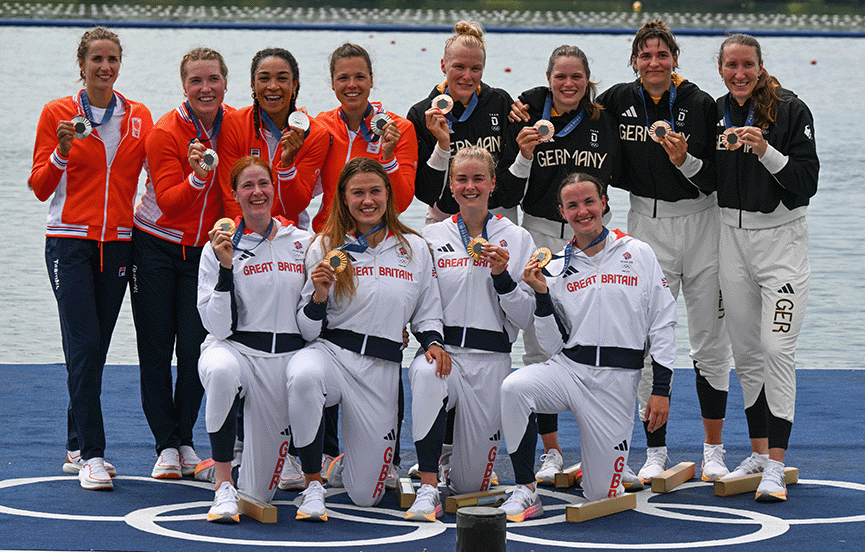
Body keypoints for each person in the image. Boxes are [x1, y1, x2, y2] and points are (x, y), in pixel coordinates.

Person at [595, 21, 733, 486]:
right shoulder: (616, 99)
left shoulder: (701, 104)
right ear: (634, 60)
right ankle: (655, 452)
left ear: (675, 59)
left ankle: (714, 450)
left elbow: (717, 177)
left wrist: (685, 161)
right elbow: (568, 107)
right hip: (645, 225)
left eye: (662, 55)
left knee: (711, 340)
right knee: (647, 338)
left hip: (702, 223)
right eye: (645, 55)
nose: (654, 63)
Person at [498, 173, 676, 522]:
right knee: (514, 387)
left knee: (599, 496)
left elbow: (663, 322)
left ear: (604, 203)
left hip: (616, 381)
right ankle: (524, 489)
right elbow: (550, 345)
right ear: (562, 212)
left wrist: (660, 389)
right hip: (570, 370)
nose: (583, 211)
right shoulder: (555, 266)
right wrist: (542, 295)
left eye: (589, 202)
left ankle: (606, 463)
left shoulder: (638, 253)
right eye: (573, 205)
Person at [286, 157, 449, 521]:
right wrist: (319, 296)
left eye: (375, 191)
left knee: (365, 496)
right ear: (343, 199)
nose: (367, 200)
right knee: (303, 376)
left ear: (388, 195)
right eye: (357, 193)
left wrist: (433, 342)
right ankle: (314, 484)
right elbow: (306, 328)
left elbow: (427, 310)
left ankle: (353, 462)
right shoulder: (324, 245)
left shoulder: (414, 248)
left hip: (380, 366)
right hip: (330, 354)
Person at [29, 27, 153, 490]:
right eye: (96, 59)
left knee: (94, 348)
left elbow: (157, 174)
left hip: (120, 241)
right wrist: (61, 152)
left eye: (113, 59)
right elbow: (40, 185)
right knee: (82, 344)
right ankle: (93, 456)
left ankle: (75, 443)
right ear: (81, 64)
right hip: (70, 242)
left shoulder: (138, 117)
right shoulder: (57, 112)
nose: (105, 67)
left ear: (120, 65)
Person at [502, 45, 621, 484]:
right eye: (560, 77)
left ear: (588, 79)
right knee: (539, 344)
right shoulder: (526, 111)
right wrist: (524, 151)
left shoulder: (602, 120)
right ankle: (550, 452)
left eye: (576, 77)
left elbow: (618, 176)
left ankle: (603, 445)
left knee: (595, 333)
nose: (568, 85)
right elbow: (509, 189)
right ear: (548, 79)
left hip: (591, 235)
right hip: (540, 232)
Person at [708, 34, 818, 502]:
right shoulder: (716, 111)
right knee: (747, 352)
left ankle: (776, 463)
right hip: (730, 239)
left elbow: (806, 183)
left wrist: (766, 151)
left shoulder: (792, 110)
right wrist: (682, 161)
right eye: (731, 65)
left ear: (760, 65)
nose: (739, 74)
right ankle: (756, 452)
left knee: (776, 350)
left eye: (747, 65)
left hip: (781, 244)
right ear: (720, 68)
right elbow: (710, 177)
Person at [406, 147, 536, 521]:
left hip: (492, 358)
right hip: (443, 352)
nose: (470, 186)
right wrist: (430, 342)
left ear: (493, 183)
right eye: (461, 179)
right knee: (429, 376)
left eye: (479, 178)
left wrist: (503, 277)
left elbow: (526, 317)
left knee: (468, 487)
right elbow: (422, 300)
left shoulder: (516, 237)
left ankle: (452, 463)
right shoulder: (430, 237)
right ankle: (428, 485)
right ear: (450, 185)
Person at [131, 47, 233, 480]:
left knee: (195, 349)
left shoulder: (236, 124)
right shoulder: (165, 131)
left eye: (213, 80)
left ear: (225, 83)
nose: (205, 89)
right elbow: (171, 207)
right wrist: (197, 177)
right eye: (196, 81)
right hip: (155, 245)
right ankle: (165, 445)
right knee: (156, 347)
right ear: (184, 87)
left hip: (204, 253)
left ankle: (185, 439)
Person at [197, 156, 312, 522]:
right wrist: (226, 267)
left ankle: (249, 483)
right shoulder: (217, 246)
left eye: (263, 183)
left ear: (274, 189)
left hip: (282, 358)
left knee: (259, 493)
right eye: (247, 186)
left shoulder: (304, 243)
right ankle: (222, 483)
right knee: (220, 372)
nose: (257, 192)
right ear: (234, 195)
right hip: (234, 348)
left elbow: (314, 319)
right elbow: (216, 325)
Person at [408, 20, 516, 225]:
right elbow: (424, 192)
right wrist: (442, 147)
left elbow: (511, 177)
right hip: (445, 220)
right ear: (443, 65)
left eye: (475, 68)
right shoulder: (421, 114)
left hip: (497, 217)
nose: (467, 76)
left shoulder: (500, 103)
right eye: (459, 67)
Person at [218, 47, 328, 227]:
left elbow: (295, 205)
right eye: (264, 78)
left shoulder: (315, 134)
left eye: (282, 78)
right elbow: (231, 197)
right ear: (253, 84)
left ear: (295, 85)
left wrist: (287, 165)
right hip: (241, 232)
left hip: (290, 233)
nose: (273, 86)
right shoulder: (233, 125)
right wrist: (247, 239)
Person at [313, 43, 417, 232]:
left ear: (371, 80)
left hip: (378, 241)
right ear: (333, 83)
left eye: (360, 77)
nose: (352, 85)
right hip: (329, 236)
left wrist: (388, 157)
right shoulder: (320, 126)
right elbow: (304, 191)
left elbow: (400, 204)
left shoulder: (399, 129)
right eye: (343, 78)